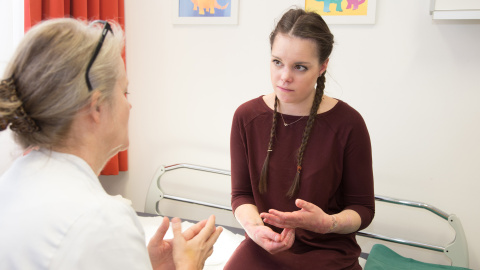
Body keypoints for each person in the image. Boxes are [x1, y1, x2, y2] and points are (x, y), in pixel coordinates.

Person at [0, 18, 222, 270]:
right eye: (124, 92)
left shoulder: (13, 183)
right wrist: (189, 265)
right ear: (96, 107)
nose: (129, 105)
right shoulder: (102, 221)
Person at [224, 8, 374, 270]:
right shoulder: (246, 117)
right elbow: (241, 195)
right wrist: (256, 230)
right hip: (264, 246)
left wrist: (328, 223)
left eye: (300, 67)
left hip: (328, 252)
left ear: (323, 66)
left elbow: (362, 209)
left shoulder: (348, 124)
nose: (285, 77)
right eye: (277, 62)